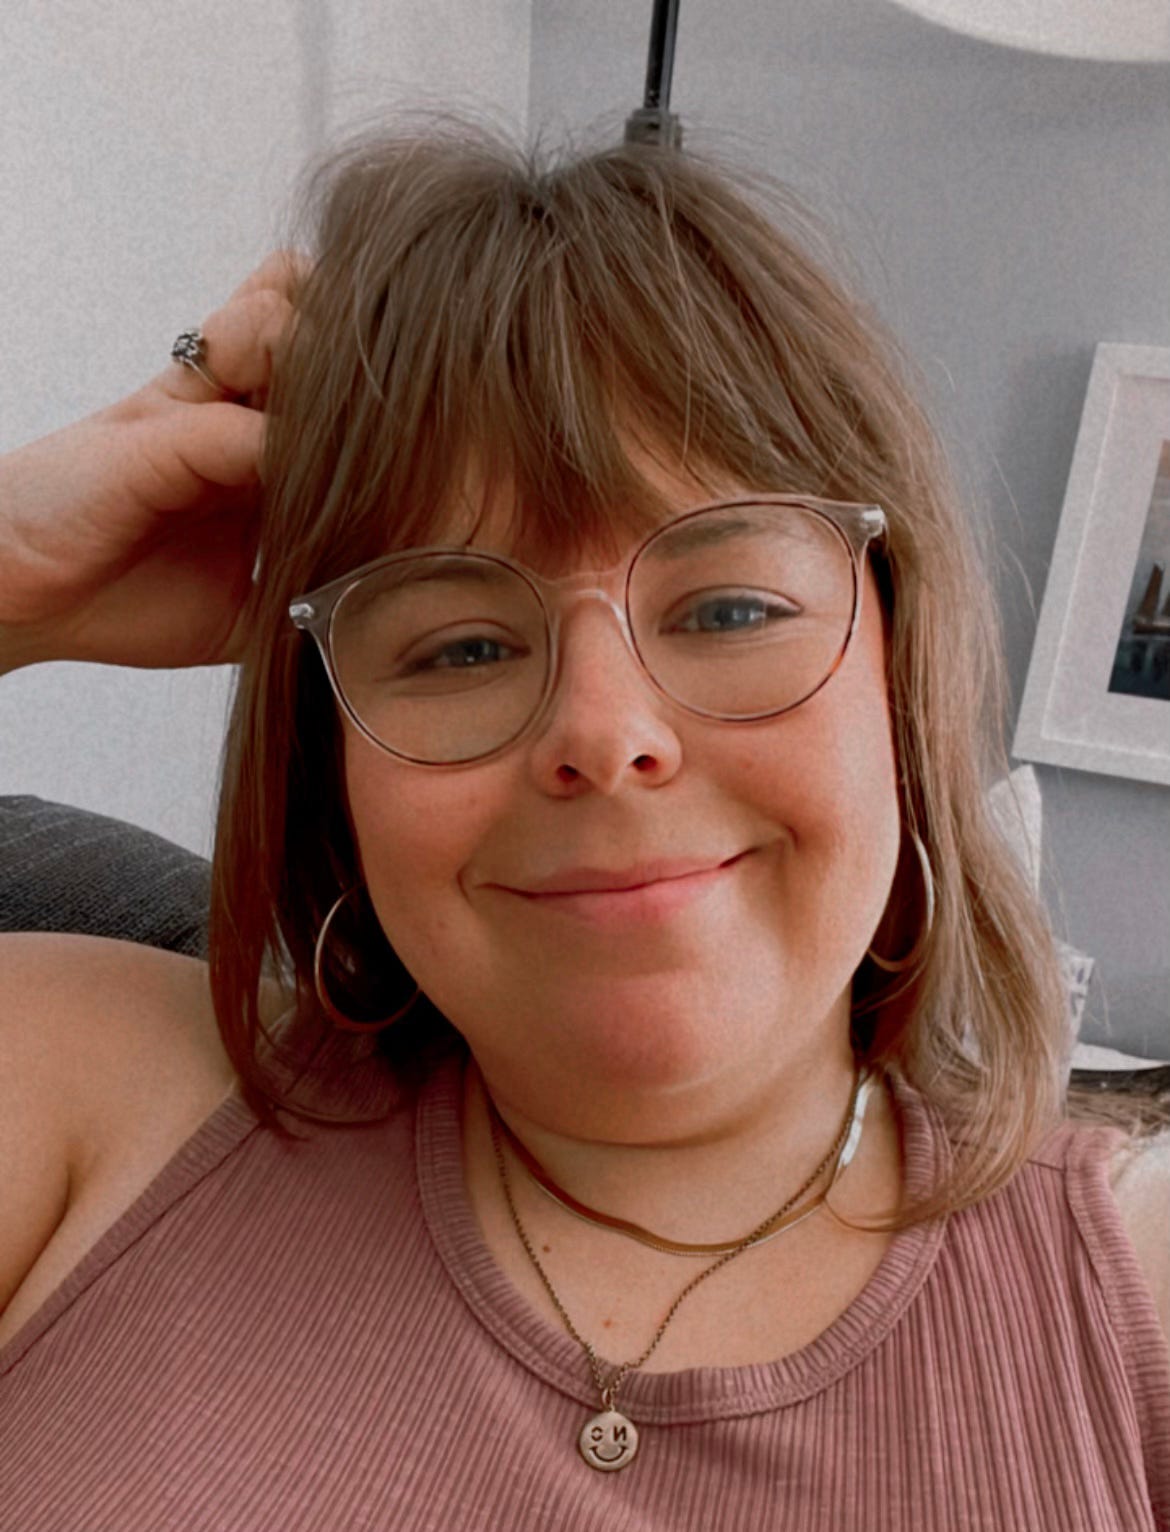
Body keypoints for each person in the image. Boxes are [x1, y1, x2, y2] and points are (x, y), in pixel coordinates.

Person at [0, 120, 1167, 1530]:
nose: (604, 735)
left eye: (729, 609)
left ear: (899, 666)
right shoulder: (73, 1091)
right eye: (458, 646)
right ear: (332, 759)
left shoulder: (1131, 1293)